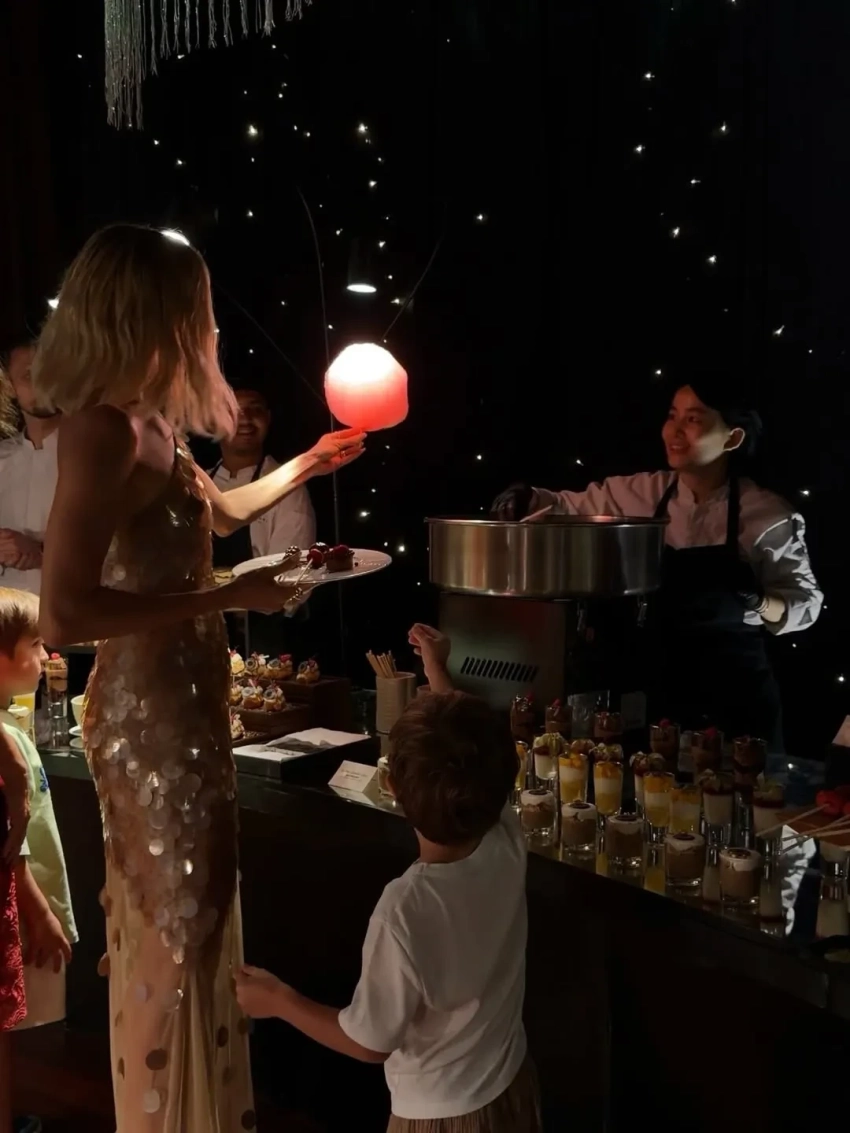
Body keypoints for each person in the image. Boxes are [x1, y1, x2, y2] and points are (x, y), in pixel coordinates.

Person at [32, 222, 365, 1133]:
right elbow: (64, 613)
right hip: (147, 719)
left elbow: (218, 516)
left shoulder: (156, 423)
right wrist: (227, 595)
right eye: (196, 309)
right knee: (170, 938)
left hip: (192, 704)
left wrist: (309, 461)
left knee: (203, 918)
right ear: (150, 312)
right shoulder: (100, 430)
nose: (207, 329)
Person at [236, 689, 541, 1133]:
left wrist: (279, 1000)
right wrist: (438, 676)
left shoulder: (404, 910)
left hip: (438, 1116)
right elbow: (471, 756)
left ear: (391, 788)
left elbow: (370, 1042)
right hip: (509, 1083)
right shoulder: (507, 837)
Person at [492, 379, 823, 751]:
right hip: (657, 689)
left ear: (733, 438)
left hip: (735, 691)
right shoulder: (640, 493)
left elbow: (805, 605)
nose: (674, 431)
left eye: (693, 419)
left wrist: (758, 600)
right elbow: (564, 505)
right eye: (672, 415)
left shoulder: (768, 515)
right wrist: (526, 497)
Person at [209, 386, 317, 655]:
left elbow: (294, 576)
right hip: (199, 626)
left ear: (268, 419)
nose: (245, 419)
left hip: (263, 636)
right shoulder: (198, 486)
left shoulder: (289, 487)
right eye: (233, 410)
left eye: (254, 410)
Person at [0, 340, 61, 595]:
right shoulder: (3, 459)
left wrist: (42, 553)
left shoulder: (93, 456)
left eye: (51, 371)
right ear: (10, 386)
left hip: (72, 613)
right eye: (29, 375)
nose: (43, 383)